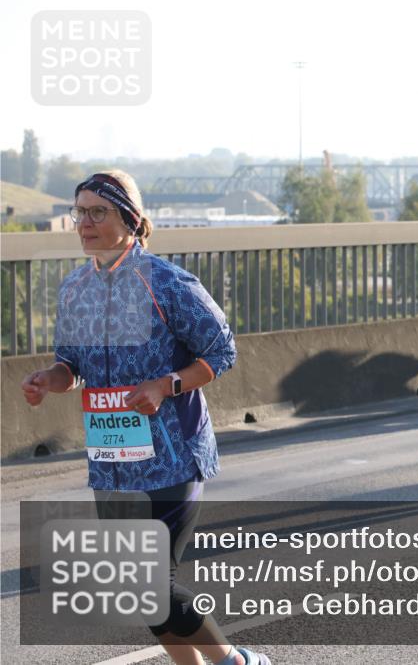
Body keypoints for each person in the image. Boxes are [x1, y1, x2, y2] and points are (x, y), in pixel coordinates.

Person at [21, 171, 270, 665]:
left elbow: (221, 350)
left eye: (98, 212)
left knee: (153, 580)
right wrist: (52, 379)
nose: (84, 223)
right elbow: (73, 364)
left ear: (130, 220)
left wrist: (165, 385)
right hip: (112, 460)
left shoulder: (167, 282)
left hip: (172, 456)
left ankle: (234, 662)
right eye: (80, 212)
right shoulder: (74, 289)